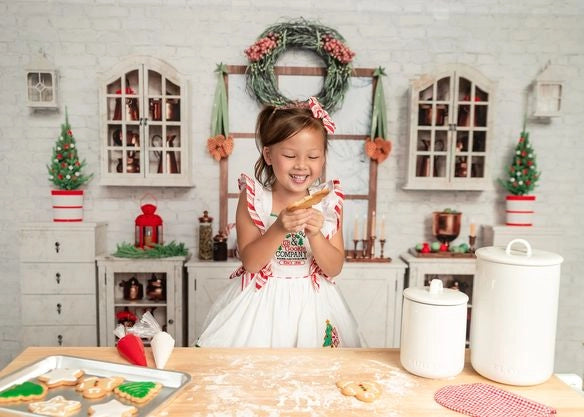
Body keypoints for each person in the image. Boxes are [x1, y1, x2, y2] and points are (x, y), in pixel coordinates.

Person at [197, 97, 361, 348]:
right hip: (261, 305)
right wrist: (279, 228)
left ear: (323, 157)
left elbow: (334, 268)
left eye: (313, 156)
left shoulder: (326, 203)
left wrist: (316, 235)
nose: (302, 165)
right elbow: (251, 262)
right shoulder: (255, 199)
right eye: (289, 155)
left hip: (313, 304)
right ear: (269, 155)